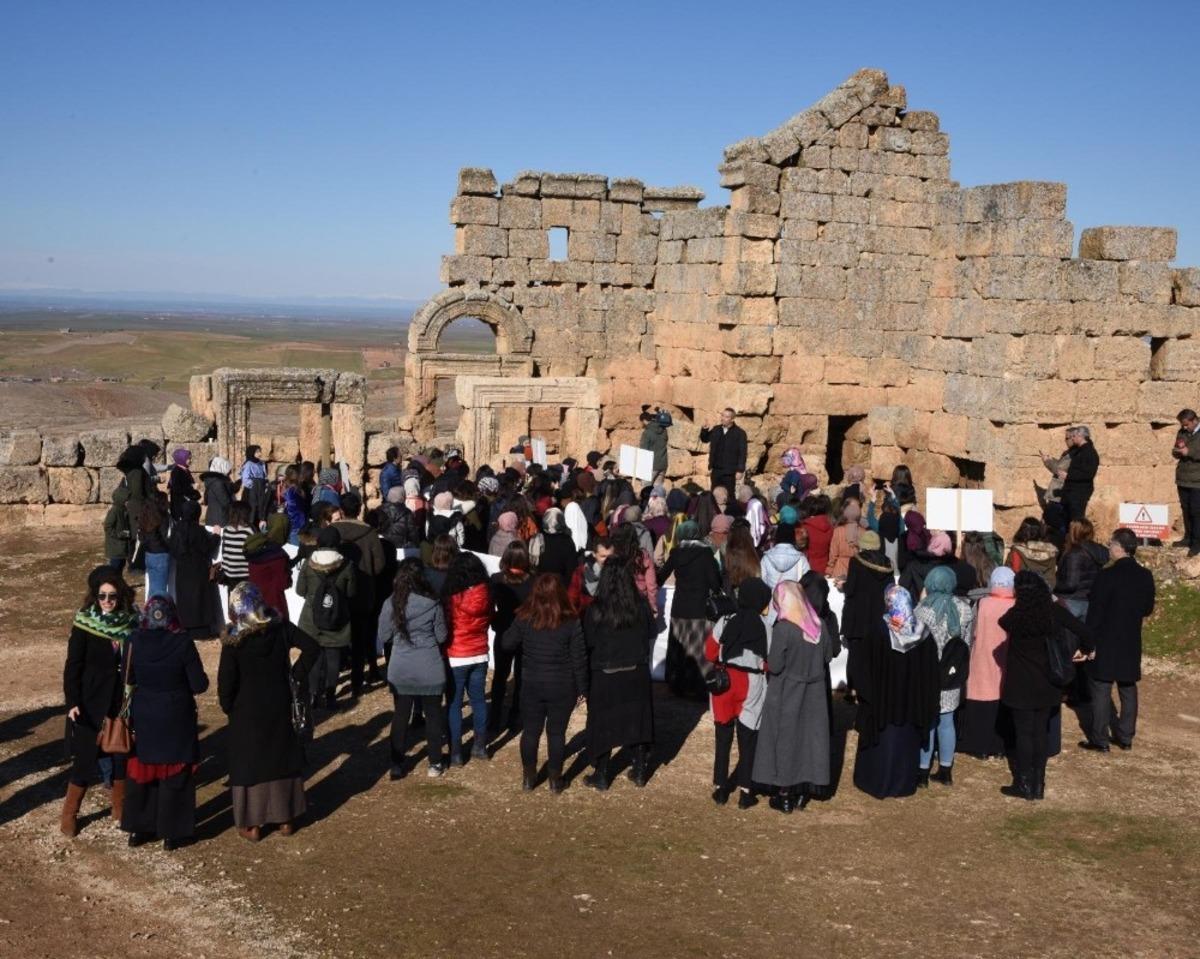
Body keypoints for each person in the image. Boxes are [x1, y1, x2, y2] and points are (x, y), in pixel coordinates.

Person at [218, 583, 319, 841]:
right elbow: (311, 647)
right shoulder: (279, 626)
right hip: (279, 702)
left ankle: (251, 825)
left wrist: (228, 706)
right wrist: (295, 675)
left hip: (245, 711)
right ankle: (286, 819)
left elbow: (226, 683)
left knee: (249, 766)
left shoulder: (234, 641)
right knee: (281, 758)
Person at [121, 596, 209, 850]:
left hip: (145, 711)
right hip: (176, 713)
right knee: (175, 773)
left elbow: (128, 677)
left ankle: (140, 829)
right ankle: (173, 832)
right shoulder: (182, 642)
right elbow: (198, 685)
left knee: (143, 772)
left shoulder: (134, 641)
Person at [998, 572, 1090, 799]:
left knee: (1023, 734)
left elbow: (1003, 623)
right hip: (1048, 682)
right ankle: (1038, 784)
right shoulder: (1054, 613)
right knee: (1040, 732)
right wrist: (1085, 650)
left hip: (1020, 684)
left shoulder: (1015, 617)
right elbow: (1084, 631)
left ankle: (1023, 783)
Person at [61, 567, 138, 837]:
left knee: (120, 754)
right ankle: (70, 814)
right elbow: (73, 665)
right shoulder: (84, 622)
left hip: (121, 699)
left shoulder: (132, 621)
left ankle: (120, 810)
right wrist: (72, 701)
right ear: (94, 596)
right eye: (102, 596)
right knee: (84, 759)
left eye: (112, 596)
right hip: (89, 702)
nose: (107, 601)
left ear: (121, 596)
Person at [500, 574, 588, 793]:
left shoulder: (525, 617)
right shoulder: (571, 620)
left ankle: (529, 778)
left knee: (530, 732)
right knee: (556, 734)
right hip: (562, 685)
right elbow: (579, 658)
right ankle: (555, 780)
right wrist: (583, 688)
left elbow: (507, 644)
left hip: (532, 683)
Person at [752, 581, 834, 814]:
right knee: (809, 741)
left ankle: (785, 795)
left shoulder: (784, 628)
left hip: (787, 691)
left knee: (786, 741)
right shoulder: (819, 625)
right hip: (815, 693)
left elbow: (776, 665)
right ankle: (803, 792)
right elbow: (827, 657)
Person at [852, 585, 940, 800]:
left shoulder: (878, 631)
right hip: (912, 705)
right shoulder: (923, 633)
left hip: (882, 705)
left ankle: (879, 782)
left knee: (884, 744)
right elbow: (931, 673)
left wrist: (866, 694)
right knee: (905, 744)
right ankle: (902, 783)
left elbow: (862, 668)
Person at [582, 559, 657, 791]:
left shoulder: (596, 609)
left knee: (602, 722)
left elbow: (588, 642)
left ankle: (602, 773)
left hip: (605, 673)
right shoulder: (641, 606)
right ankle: (640, 770)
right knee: (638, 720)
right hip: (636, 671)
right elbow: (651, 633)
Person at [1081, 528, 1155, 752]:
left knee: (1102, 687)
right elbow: (1147, 609)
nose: (1109, 548)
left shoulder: (1106, 576)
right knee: (1127, 686)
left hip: (1105, 638)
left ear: (1119, 547)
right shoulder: (1145, 576)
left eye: (1111, 544)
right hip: (1130, 638)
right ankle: (1125, 737)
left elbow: (1095, 613)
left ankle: (1100, 739)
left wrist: (1087, 642)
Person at [377, 559, 449, 779]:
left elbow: (384, 636)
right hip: (429, 667)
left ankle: (397, 764)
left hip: (401, 667)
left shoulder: (391, 603)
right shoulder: (433, 603)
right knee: (434, 716)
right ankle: (435, 763)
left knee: (401, 716)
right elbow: (441, 636)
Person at [706, 577, 771, 810]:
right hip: (751, 683)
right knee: (748, 739)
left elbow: (709, 651)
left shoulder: (725, 620)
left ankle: (720, 788)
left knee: (722, 737)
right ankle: (745, 791)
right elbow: (768, 663)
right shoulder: (765, 626)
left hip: (724, 682)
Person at [912, 566, 974, 786]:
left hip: (927, 673)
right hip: (952, 673)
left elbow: (915, 643)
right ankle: (946, 770)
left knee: (928, 721)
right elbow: (966, 643)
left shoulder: (923, 610)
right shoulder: (965, 609)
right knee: (947, 721)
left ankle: (922, 772)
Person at [657, 519, 721, 699]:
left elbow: (661, 577)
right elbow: (715, 584)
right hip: (700, 607)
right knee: (699, 648)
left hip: (680, 607)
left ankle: (679, 685)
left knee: (680, 647)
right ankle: (699, 686)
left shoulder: (676, 553)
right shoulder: (706, 553)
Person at [442, 551, 493, 765]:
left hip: (456, 655)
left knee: (454, 704)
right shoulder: (487, 594)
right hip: (479, 653)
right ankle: (479, 746)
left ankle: (455, 752)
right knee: (479, 700)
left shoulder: (451, 599)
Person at [296, 527, 356, 708]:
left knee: (314, 656)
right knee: (333, 656)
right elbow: (351, 592)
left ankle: (314, 694)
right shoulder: (347, 564)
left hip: (311, 618)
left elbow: (300, 590)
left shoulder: (308, 562)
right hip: (337, 616)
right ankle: (331, 694)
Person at [959, 567, 1016, 759]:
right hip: (1006, 658)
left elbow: (973, 629)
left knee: (981, 703)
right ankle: (999, 746)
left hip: (983, 656)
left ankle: (979, 746)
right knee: (1002, 703)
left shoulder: (982, 603)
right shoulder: (1016, 605)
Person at [333, 491, 387, 692]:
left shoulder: (333, 531)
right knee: (360, 636)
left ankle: (332, 682)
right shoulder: (369, 533)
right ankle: (357, 680)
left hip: (337, 592)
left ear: (341, 510)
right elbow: (379, 563)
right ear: (359, 510)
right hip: (363, 591)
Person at [839, 529, 892, 704]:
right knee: (874, 656)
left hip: (858, 617)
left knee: (856, 656)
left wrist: (842, 585)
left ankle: (854, 690)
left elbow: (852, 589)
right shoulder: (888, 564)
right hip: (878, 617)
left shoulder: (856, 562)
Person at [488, 540, 535, 737]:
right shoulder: (533, 580)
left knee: (500, 676)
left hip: (505, 631)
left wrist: (495, 621)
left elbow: (489, 606)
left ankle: (494, 719)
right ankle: (515, 718)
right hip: (526, 633)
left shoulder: (497, 579)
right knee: (521, 678)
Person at [168, 499, 221, 640]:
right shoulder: (198, 530)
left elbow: (172, 549)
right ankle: (202, 631)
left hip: (183, 570)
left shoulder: (176, 529)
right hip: (198, 569)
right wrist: (216, 536)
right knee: (200, 600)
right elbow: (208, 548)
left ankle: (186, 628)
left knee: (185, 599)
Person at [1054, 519, 1109, 619]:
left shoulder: (1075, 553)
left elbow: (1071, 584)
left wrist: (1053, 585)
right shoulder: (1099, 551)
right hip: (1089, 601)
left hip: (1071, 601)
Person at [244, 513, 292, 622]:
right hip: (274, 603)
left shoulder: (256, 547)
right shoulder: (277, 555)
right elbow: (283, 583)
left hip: (255, 600)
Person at [700, 408, 747, 496]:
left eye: (726, 417)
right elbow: (705, 439)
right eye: (722, 415)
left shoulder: (740, 433)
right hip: (716, 470)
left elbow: (743, 453)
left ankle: (729, 510)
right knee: (714, 493)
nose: (722, 418)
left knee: (729, 495)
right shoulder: (716, 429)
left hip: (730, 471)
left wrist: (740, 470)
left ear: (732, 419)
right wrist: (704, 430)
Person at [1057, 425, 1099, 524]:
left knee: (1076, 522)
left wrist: (1068, 476)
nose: (1072, 438)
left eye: (1074, 436)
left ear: (1081, 436)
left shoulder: (1089, 452)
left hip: (1079, 493)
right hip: (1071, 493)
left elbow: (1088, 474)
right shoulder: (1078, 451)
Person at [1172, 409, 1200, 554]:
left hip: (1197, 481)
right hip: (1183, 478)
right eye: (1182, 425)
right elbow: (1175, 449)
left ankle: (1197, 542)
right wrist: (1178, 450)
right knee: (1186, 509)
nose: (1184, 427)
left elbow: (1194, 452)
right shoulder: (1182, 432)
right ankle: (1187, 538)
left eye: (1186, 424)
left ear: (1194, 420)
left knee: (1196, 511)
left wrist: (1189, 452)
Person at [760, 522, 811, 598]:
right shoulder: (801, 559)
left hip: (772, 601)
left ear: (777, 537)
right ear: (793, 538)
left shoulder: (766, 558)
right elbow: (807, 582)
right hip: (794, 602)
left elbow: (762, 581)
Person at [1006, 517, 1059, 587]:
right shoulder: (1051, 552)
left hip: (1023, 591)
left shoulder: (1016, 551)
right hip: (1046, 591)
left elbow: (1011, 573)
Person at [531, 507, 579, 584]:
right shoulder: (567, 541)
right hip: (559, 584)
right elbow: (571, 568)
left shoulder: (537, 538)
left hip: (540, 583)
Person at [138, 496, 172, 601]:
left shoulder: (145, 516)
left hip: (149, 554)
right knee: (159, 591)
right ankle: (155, 614)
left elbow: (141, 536)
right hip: (160, 555)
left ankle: (149, 611)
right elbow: (166, 537)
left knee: (153, 588)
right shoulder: (162, 518)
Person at [219, 502, 254, 588]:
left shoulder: (227, 529)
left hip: (229, 573)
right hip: (245, 574)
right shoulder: (248, 531)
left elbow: (224, 551)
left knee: (232, 598)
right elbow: (253, 553)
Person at [827, 498, 863, 580]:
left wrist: (829, 571)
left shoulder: (838, 531)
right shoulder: (863, 532)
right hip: (857, 571)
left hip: (840, 571)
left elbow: (833, 554)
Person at [240, 445, 271, 528]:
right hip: (252, 491)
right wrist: (254, 485)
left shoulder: (261, 463)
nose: (260, 453)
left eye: (260, 451)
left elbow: (264, 476)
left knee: (261, 508)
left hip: (261, 489)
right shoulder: (249, 464)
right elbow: (245, 479)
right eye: (257, 452)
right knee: (252, 509)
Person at [201, 456, 237, 528]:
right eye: (227, 469)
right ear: (222, 467)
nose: (229, 472)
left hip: (216, 518)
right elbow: (225, 501)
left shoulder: (214, 481)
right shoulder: (217, 483)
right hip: (219, 520)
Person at [638, 408, 671, 484]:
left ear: (644, 421)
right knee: (657, 491)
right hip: (663, 464)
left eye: (641, 422)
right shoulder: (664, 430)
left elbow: (643, 450)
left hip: (651, 465)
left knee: (646, 490)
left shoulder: (647, 433)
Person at [167, 448, 200, 522]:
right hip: (180, 506)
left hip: (186, 504)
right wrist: (192, 487)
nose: (190, 461)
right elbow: (177, 488)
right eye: (188, 459)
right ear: (182, 459)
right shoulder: (177, 471)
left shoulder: (185, 470)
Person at [281, 465, 307, 545]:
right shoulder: (292, 491)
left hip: (298, 526)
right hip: (296, 526)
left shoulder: (296, 489)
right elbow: (293, 509)